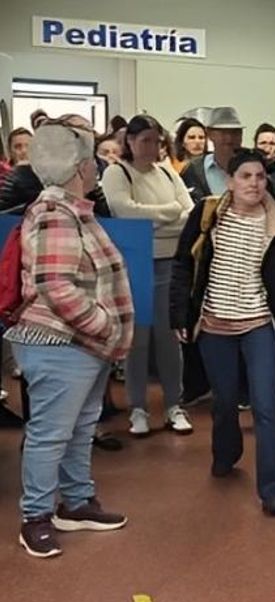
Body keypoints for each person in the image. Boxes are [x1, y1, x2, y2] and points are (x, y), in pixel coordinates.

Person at [9, 117, 135, 558]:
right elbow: (54, 284)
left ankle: (76, 503)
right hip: (61, 342)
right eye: (93, 159)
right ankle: (36, 517)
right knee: (51, 434)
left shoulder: (71, 210)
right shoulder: (54, 213)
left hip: (79, 345)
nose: (99, 166)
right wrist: (103, 324)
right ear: (78, 167)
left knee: (78, 429)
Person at [170, 148, 275, 517]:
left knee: (265, 405)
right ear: (230, 182)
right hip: (215, 324)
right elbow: (184, 265)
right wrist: (179, 315)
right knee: (223, 401)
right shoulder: (206, 215)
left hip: (258, 324)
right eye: (245, 176)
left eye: (260, 177)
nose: (254, 183)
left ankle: (274, 489)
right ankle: (227, 452)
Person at [101, 114, 195, 437]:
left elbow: (190, 214)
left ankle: (173, 404)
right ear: (130, 141)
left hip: (170, 262)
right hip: (135, 263)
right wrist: (169, 214)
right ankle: (137, 407)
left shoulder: (168, 173)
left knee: (169, 338)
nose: (152, 147)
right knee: (138, 339)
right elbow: (124, 211)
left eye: (157, 141)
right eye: (145, 141)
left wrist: (154, 219)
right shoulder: (117, 172)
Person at [178, 106, 245, 406]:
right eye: (225, 132)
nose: (231, 138)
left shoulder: (251, 165)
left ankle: (240, 388)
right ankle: (197, 384)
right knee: (199, 318)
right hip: (203, 256)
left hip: (242, 255)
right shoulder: (192, 170)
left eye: (236, 132)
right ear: (212, 135)